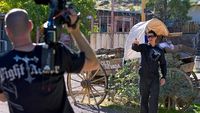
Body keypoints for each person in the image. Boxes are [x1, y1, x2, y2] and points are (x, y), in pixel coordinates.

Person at [0, 8, 99, 113]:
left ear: (7, 31)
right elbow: (93, 63)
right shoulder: (55, 51)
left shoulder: (2, 64)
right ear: (30, 25)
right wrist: (75, 31)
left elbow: (3, 97)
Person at [132, 30, 167, 113]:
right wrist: (135, 43)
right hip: (143, 77)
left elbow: (163, 64)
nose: (149, 38)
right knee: (143, 100)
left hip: (154, 78)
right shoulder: (144, 47)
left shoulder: (159, 50)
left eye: (151, 36)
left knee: (154, 100)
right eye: (148, 36)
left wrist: (163, 77)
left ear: (155, 37)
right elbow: (134, 48)